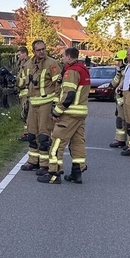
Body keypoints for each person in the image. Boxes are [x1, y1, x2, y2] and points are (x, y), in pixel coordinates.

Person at [39, 47, 90, 184]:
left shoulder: (72, 71)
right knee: (77, 142)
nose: (61, 59)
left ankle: (53, 173)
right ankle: (77, 172)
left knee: (56, 142)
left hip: (69, 114)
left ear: (68, 57)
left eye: (63, 56)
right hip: (80, 113)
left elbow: (69, 94)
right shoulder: (83, 69)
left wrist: (57, 111)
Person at [20, 39, 61, 174]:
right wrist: (26, 102)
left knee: (44, 136)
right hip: (33, 104)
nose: (42, 52)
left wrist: (55, 103)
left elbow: (59, 85)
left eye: (43, 49)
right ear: (33, 51)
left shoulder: (52, 64)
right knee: (32, 134)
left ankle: (44, 164)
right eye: (39, 50)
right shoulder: (29, 64)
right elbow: (25, 83)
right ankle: (33, 161)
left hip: (46, 103)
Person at [108, 50, 128, 148]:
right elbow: (113, 84)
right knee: (120, 120)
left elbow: (121, 84)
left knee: (124, 121)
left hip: (125, 100)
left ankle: (123, 141)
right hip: (120, 100)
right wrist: (118, 73)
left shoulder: (127, 71)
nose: (118, 63)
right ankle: (120, 140)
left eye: (119, 61)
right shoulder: (121, 71)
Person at [15, 46, 30, 141]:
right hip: (23, 93)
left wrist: (16, 81)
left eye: (19, 54)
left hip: (26, 93)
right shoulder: (22, 64)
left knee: (26, 114)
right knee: (25, 114)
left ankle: (27, 134)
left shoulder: (28, 65)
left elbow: (26, 80)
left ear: (25, 54)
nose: (18, 57)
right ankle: (27, 133)